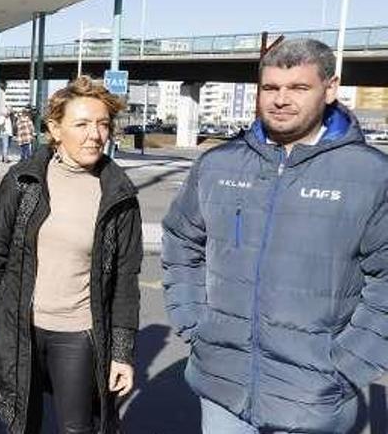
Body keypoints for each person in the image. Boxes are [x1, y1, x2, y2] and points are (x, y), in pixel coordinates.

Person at [162, 38, 388, 433]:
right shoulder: (218, 164)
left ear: (329, 89)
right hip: (223, 389)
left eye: (299, 88)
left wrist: (348, 364)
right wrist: (195, 324)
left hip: (315, 397)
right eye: (271, 88)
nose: (281, 100)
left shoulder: (370, 175)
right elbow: (181, 242)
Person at [0, 75, 142, 434]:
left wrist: (122, 353)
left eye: (102, 124)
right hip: (20, 325)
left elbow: (126, 280)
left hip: (78, 332)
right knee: (21, 424)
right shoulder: (24, 180)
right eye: (81, 124)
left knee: (77, 428)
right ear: (55, 127)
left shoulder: (119, 193)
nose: (94, 134)